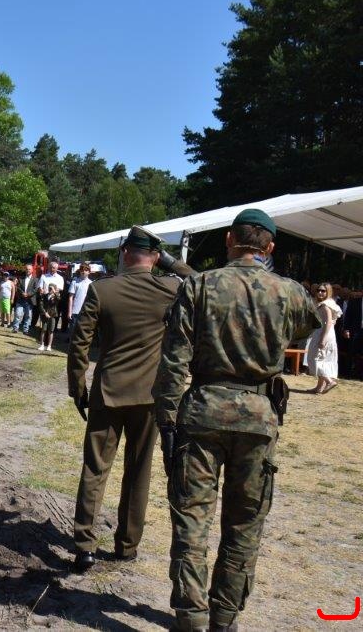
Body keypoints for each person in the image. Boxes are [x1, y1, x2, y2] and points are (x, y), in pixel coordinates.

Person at [152, 208, 319, 632]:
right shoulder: (289, 292)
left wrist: (166, 420)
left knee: (191, 519)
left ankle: (190, 616)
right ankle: (224, 618)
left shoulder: (199, 285)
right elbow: (307, 325)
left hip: (202, 412)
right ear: (270, 247)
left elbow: (174, 360)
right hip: (258, 419)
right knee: (245, 523)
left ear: (229, 239)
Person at [67, 226, 195, 573]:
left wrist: (77, 387)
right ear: (155, 256)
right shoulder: (170, 288)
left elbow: (79, 343)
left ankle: (84, 546)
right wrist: (172, 263)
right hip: (150, 396)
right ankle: (126, 545)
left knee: (95, 469)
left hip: (108, 393)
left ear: (125, 252)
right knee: (138, 472)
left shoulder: (102, 289)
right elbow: (202, 282)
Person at [306, 282, 341, 394]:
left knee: (315, 358)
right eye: (318, 290)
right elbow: (333, 320)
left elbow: (328, 322)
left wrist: (323, 339)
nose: (320, 292)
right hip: (326, 332)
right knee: (323, 359)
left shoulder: (325, 305)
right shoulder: (329, 303)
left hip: (324, 333)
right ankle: (319, 387)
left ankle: (329, 381)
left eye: (323, 291)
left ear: (328, 292)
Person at [67, 263, 93, 336]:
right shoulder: (75, 282)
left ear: (89, 272)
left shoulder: (91, 284)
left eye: (86, 270)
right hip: (75, 311)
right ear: (80, 271)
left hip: (86, 312)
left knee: (83, 333)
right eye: (82, 270)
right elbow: (70, 297)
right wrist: (69, 312)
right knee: (73, 332)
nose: (83, 272)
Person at [38, 284, 59, 351]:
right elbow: (41, 305)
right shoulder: (44, 295)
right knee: (43, 330)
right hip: (45, 315)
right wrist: (45, 313)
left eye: (51, 288)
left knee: (51, 331)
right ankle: (42, 345)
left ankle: (49, 346)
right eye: (49, 288)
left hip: (52, 315)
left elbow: (58, 299)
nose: (50, 290)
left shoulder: (56, 296)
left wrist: (54, 292)